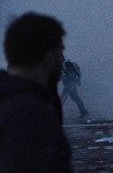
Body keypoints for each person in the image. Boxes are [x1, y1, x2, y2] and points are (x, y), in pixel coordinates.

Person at [0, 12, 72, 172]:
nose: (62, 60)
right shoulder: (29, 114)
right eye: (60, 53)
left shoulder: (9, 101)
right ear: (48, 59)